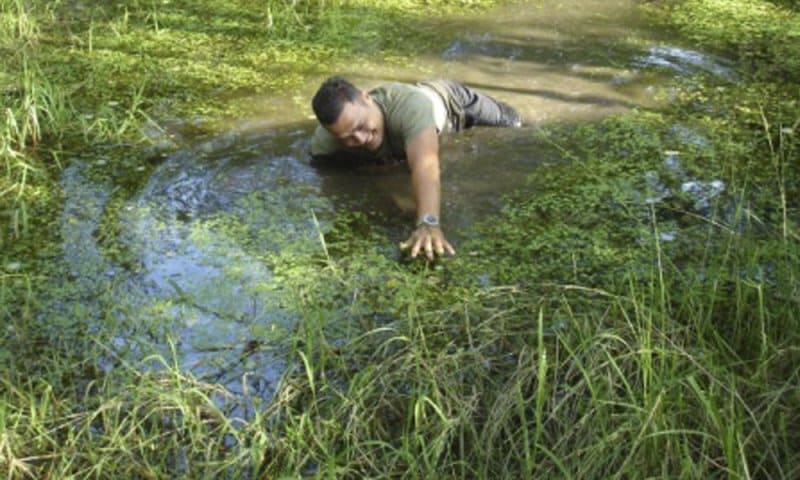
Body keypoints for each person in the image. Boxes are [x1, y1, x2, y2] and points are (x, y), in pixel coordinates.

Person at [310, 76, 522, 260]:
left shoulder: (411, 107)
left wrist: (428, 222)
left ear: (367, 98)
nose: (361, 138)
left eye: (361, 126)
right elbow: (334, 182)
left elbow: (425, 164)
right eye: (348, 138)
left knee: (514, 124)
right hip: (409, 137)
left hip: (453, 102)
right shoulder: (325, 145)